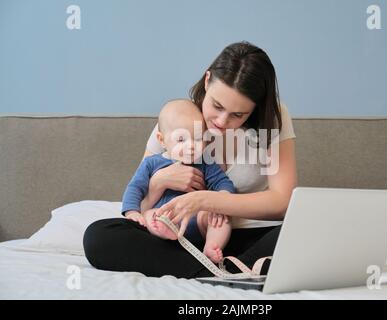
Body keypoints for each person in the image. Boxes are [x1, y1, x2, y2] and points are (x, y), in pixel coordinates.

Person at [83, 41, 298, 278]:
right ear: (207, 81)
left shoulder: (272, 119)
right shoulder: (177, 119)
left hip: (249, 236)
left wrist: (205, 200)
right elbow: (140, 203)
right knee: (99, 236)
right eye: (217, 105)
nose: (222, 121)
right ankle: (219, 271)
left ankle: (231, 265)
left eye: (238, 114)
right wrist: (158, 183)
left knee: (307, 226)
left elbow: (282, 202)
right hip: (180, 238)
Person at [122, 99, 235, 263]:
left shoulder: (205, 163)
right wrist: (132, 212)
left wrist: (221, 200)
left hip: (196, 220)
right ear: (162, 140)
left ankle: (211, 246)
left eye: (197, 139)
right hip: (165, 217)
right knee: (149, 214)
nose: (191, 146)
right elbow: (135, 188)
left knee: (220, 217)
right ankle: (165, 232)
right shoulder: (152, 163)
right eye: (181, 140)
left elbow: (223, 183)